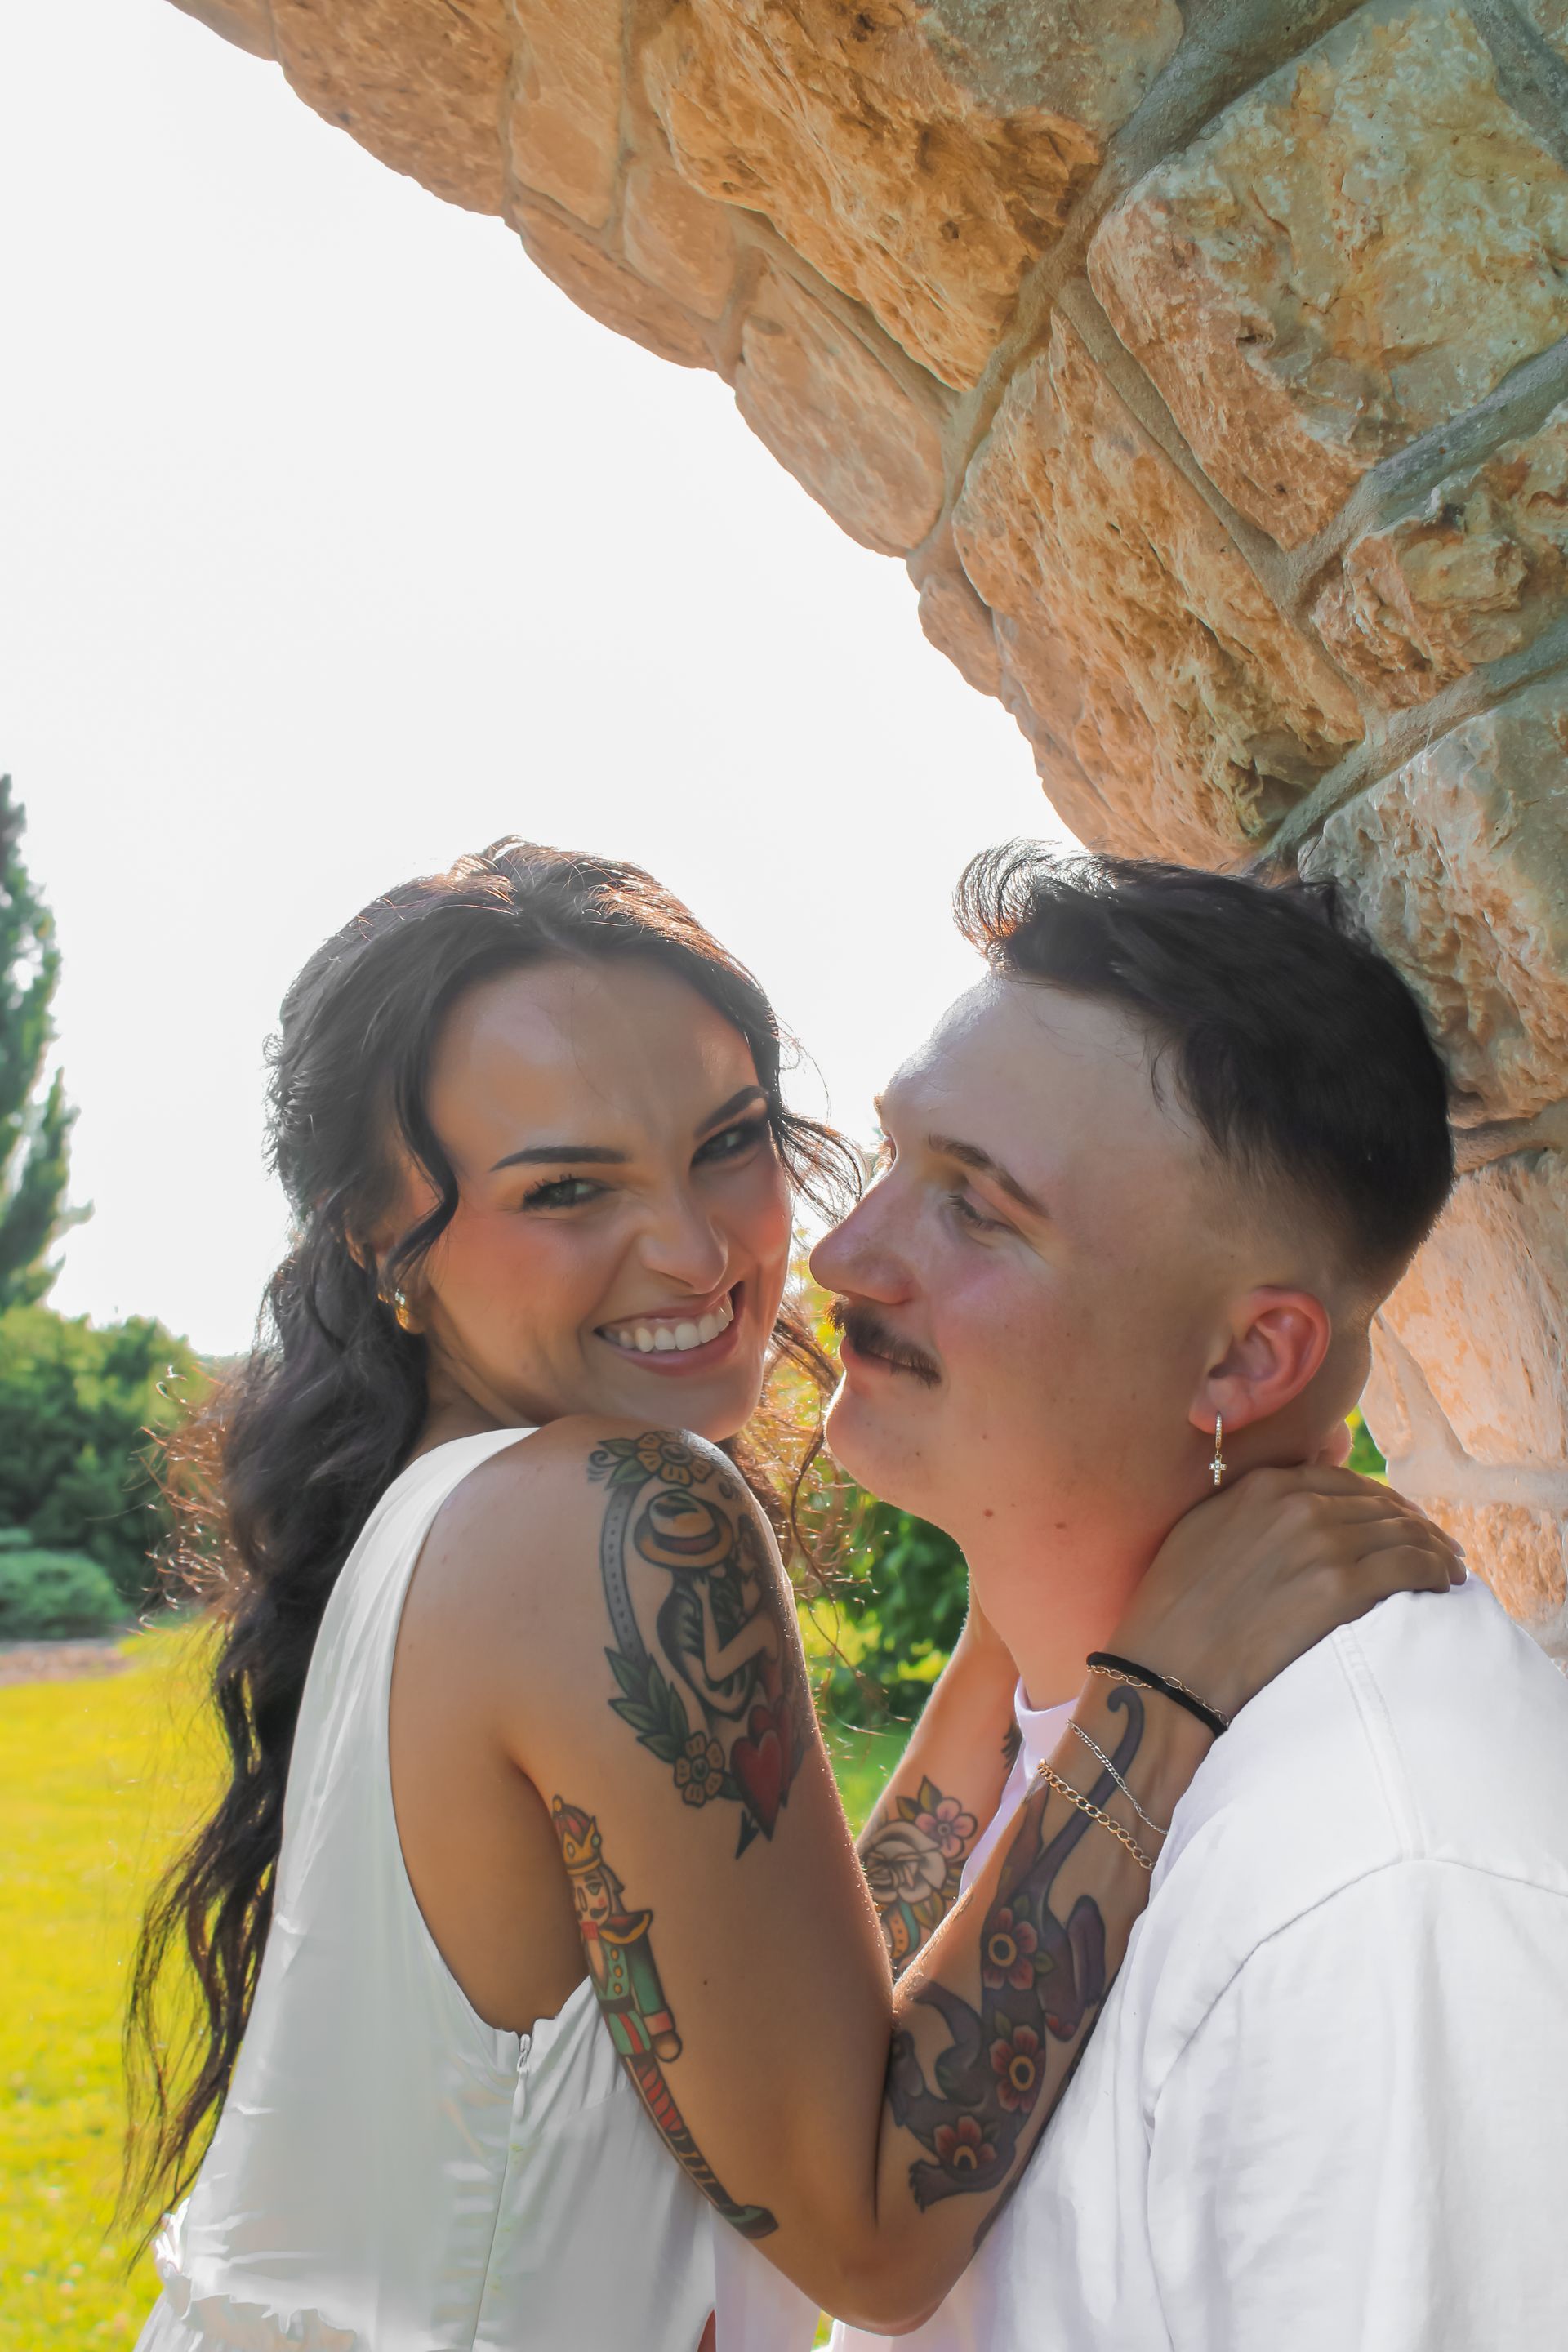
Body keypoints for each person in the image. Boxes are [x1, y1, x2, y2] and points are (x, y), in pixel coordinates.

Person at [124, 840, 1456, 2352]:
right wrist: (1161, 1695)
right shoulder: (606, 1513)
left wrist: (1015, 1645)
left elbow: (801, 2022)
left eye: (730, 1140)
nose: (700, 1251)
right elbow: (867, 2237)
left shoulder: (455, 1507)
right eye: (568, 1189)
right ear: (381, 1237)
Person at [817, 847, 1568, 2352]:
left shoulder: (1369, 1886)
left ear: (1244, 1364)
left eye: (977, 1208)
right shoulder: (1065, 1702)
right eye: (893, 1160)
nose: (843, 1254)